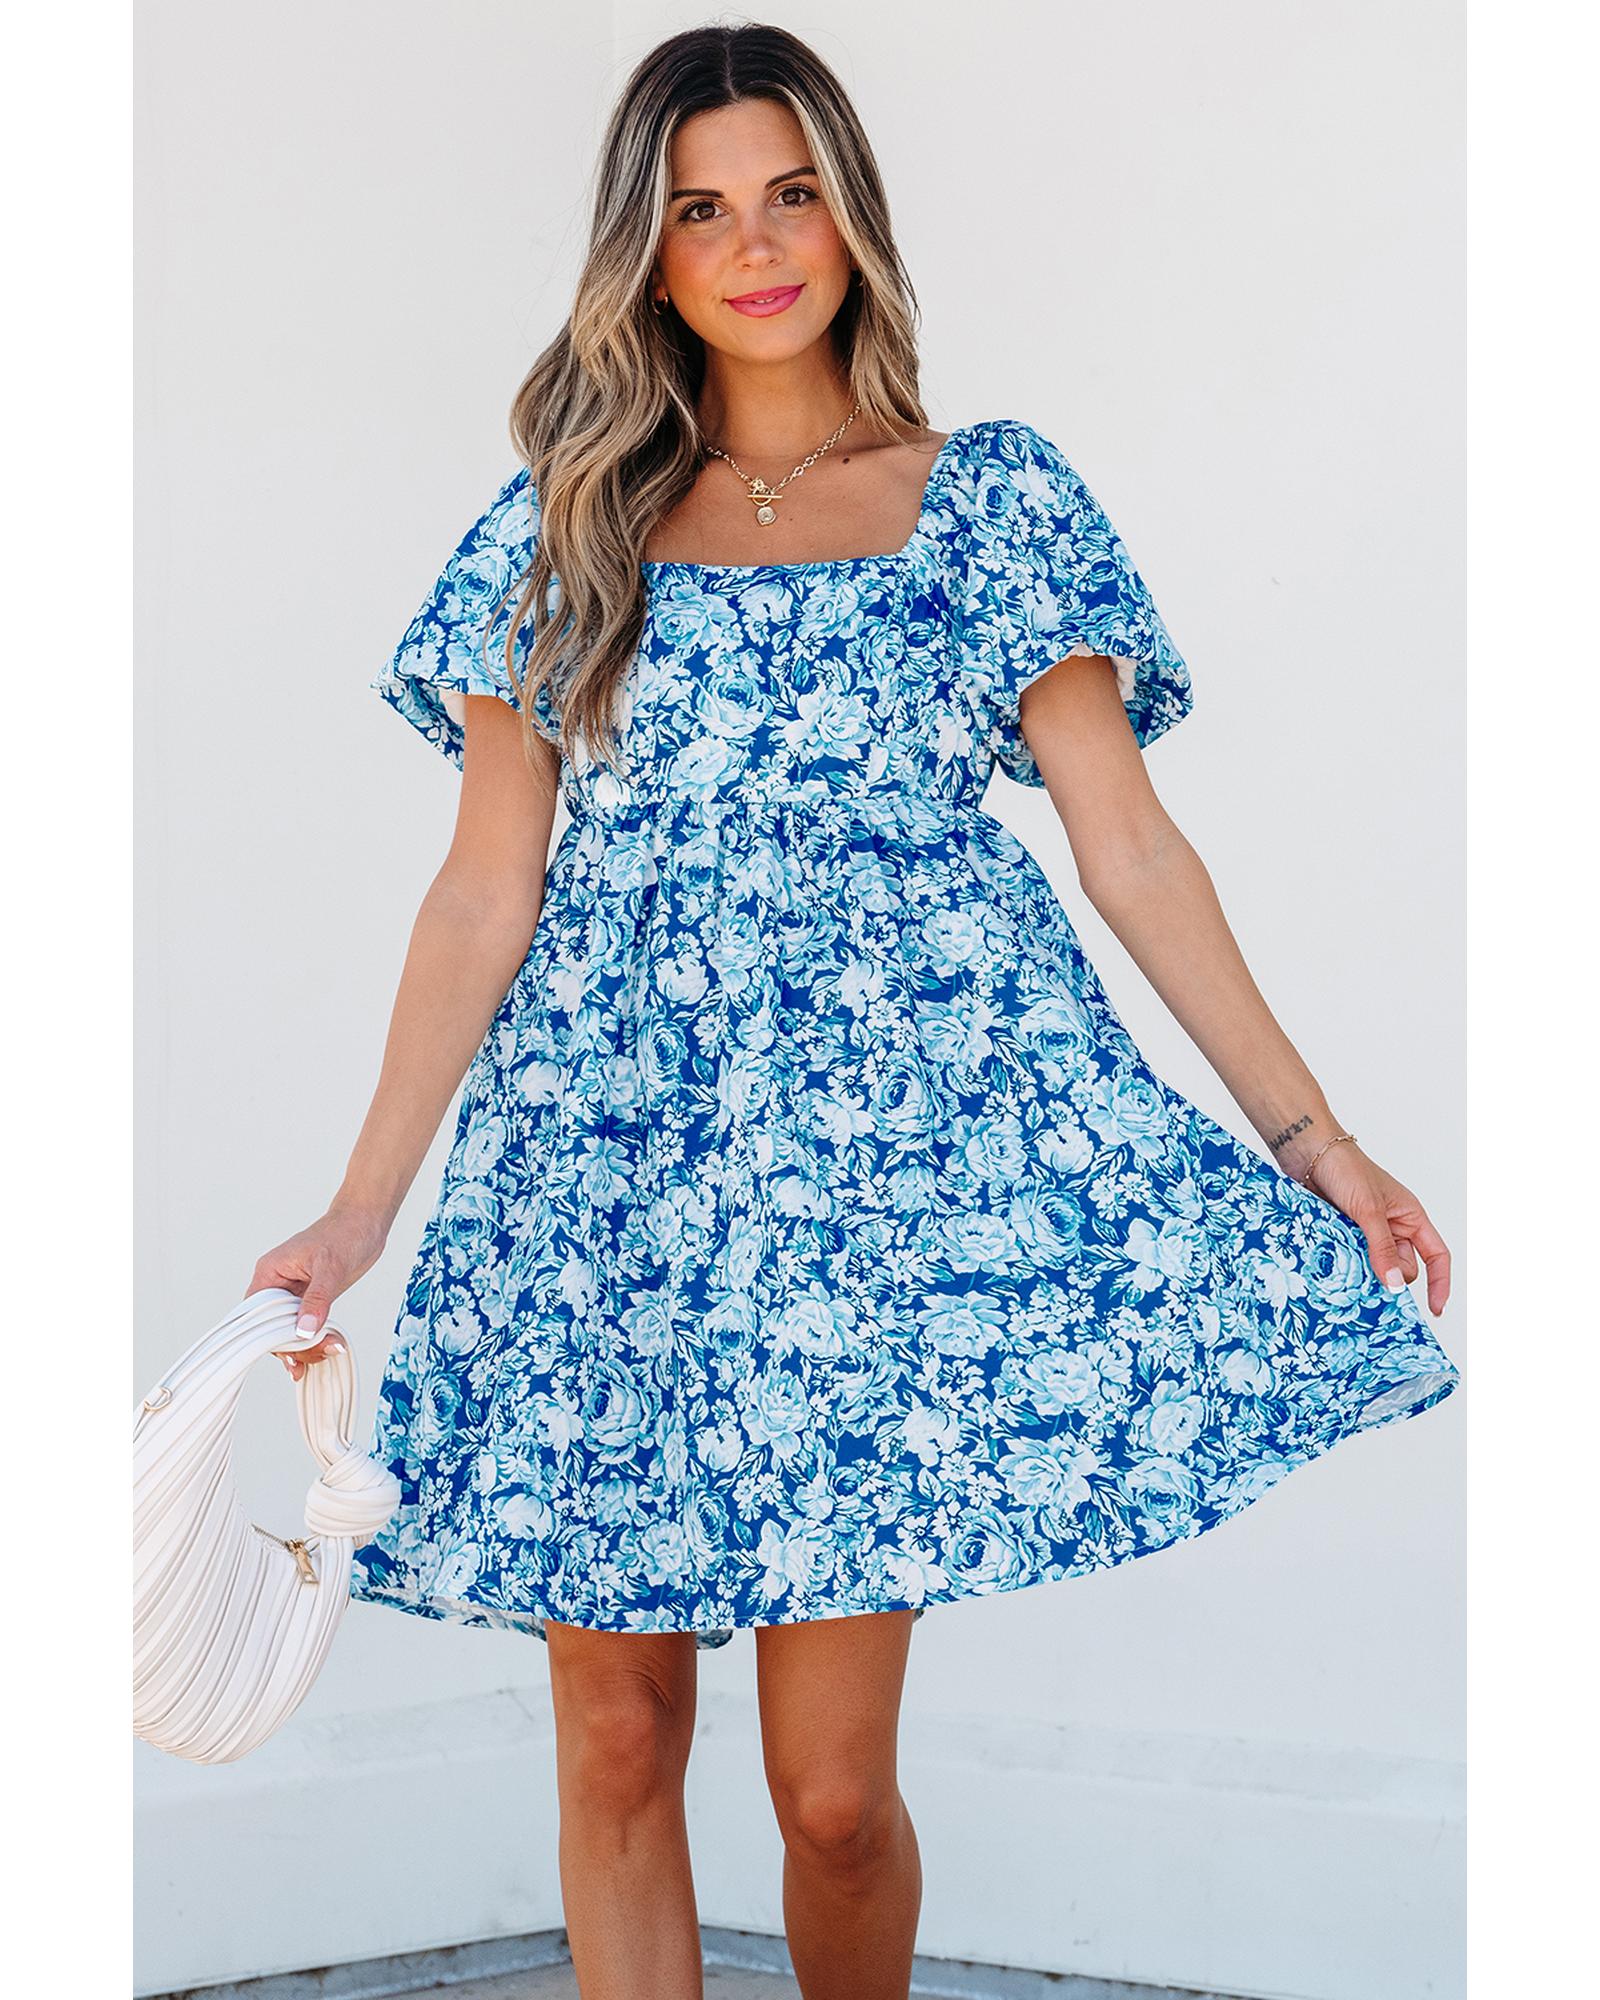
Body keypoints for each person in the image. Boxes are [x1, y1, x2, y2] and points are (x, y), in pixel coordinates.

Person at [247, 22, 1459, 1999]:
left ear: (852, 218)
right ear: (645, 257)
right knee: (619, 1741)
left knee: (828, 1796)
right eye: (701, 210)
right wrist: (358, 1209)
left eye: (790, 194)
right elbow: (481, 892)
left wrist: (1310, 1137)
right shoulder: (560, 524)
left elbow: (1131, 849)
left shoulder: (990, 504)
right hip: (603, 1178)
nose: (752, 245)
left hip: (880, 1201)